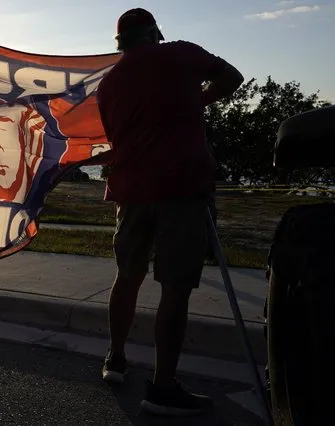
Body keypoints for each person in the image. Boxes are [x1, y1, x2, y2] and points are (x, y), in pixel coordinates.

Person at [96, 8, 244, 416]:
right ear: (156, 32)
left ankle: (116, 358)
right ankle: (162, 387)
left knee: (127, 277)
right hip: (182, 189)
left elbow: (119, 137)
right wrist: (197, 100)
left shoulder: (108, 86)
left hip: (130, 194)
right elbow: (233, 78)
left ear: (122, 44)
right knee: (175, 289)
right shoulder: (182, 54)